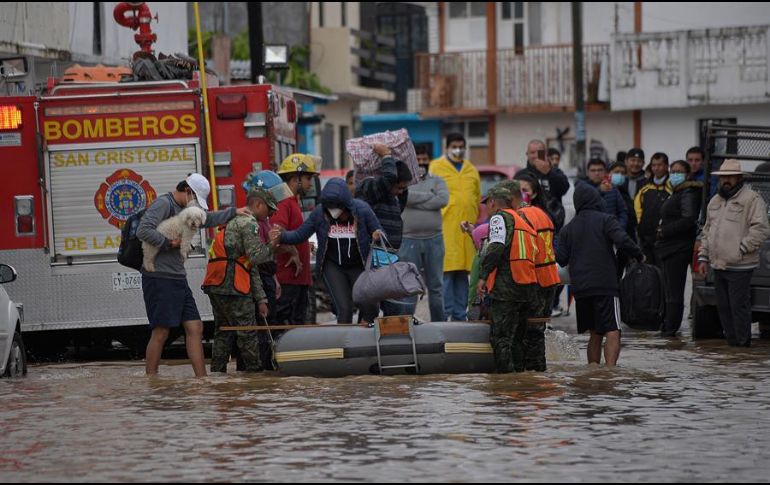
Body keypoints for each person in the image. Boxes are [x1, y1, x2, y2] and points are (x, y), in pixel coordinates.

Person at [137, 173, 249, 377]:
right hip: (159, 278)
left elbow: (208, 219)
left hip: (178, 278)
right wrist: (169, 243)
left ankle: (201, 380)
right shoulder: (164, 204)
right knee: (161, 331)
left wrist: (234, 212)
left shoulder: (188, 210)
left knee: (195, 327)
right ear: (188, 191)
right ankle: (151, 380)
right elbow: (143, 230)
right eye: (196, 199)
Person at [271, 178, 384, 324]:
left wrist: (377, 235)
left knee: (370, 305)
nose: (335, 214)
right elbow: (300, 234)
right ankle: (344, 344)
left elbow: (380, 231)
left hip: (358, 265)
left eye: (339, 211)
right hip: (333, 266)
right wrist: (281, 235)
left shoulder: (362, 210)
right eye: (330, 210)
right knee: (344, 309)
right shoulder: (320, 213)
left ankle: (363, 334)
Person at [556, 183, 643, 367]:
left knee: (594, 334)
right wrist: (640, 255)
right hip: (606, 286)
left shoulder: (568, 229)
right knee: (613, 330)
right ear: (596, 199)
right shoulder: (606, 220)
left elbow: (561, 259)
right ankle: (610, 372)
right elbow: (622, 240)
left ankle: (593, 372)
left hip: (581, 289)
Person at [203, 187, 277, 373]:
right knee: (247, 332)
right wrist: (273, 243)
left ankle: (217, 375)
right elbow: (257, 258)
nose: (269, 215)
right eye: (269, 210)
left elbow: (248, 266)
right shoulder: (249, 223)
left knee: (223, 332)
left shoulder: (232, 221)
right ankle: (255, 377)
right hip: (233, 287)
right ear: (258, 204)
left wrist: (261, 299)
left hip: (216, 284)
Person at [698, 159, 770, 347]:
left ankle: (742, 345)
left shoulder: (751, 199)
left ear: (739, 178)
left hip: (741, 265)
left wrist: (742, 249)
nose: (726, 180)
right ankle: (732, 347)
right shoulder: (715, 201)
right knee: (723, 307)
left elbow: (761, 229)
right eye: (723, 177)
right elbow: (707, 231)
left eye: (730, 176)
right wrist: (703, 257)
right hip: (718, 264)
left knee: (739, 307)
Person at [477, 185, 538, 373]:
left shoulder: (498, 218)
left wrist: (482, 276)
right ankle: (519, 384)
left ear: (493, 202)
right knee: (518, 339)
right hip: (527, 286)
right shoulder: (522, 219)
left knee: (501, 338)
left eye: (486, 203)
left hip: (507, 287)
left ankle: (505, 384)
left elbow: (496, 247)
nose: (486, 208)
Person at [430, 133, 481, 321]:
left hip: (466, 232)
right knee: (446, 274)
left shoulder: (471, 170)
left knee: (463, 275)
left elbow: (477, 197)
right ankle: (444, 318)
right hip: (444, 230)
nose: (458, 149)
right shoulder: (436, 167)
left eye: (461, 146)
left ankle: (460, 317)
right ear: (447, 147)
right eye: (454, 146)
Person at [512, 178, 560, 372]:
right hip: (550, 279)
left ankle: (531, 376)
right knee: (538, 331)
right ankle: (539, 374)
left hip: (536, 280)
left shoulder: (521, 217)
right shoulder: (542, 213)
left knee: (529, 332)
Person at [399, 144, 449, 321]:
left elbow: (443, 200)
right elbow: (405, 196)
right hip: (408, 240)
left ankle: (439, 324)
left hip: (434, 240)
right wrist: (429, 195)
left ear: (429, 160)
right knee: (409, 285)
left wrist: (414, 199)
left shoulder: (438, 180)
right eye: (417, 159)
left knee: (436, 287)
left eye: (424, 159)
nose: (421, 162)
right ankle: (406, 324)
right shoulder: (404, 181)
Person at [654, 161, 702, 337]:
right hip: (669, 248)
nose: (675, 174)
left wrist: (664, 231)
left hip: (678, 249)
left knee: (674, 292)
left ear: (688, 174)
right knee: (669, 291)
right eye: (673, 171)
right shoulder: (678, 192)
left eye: (679, 172)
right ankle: (668, 325)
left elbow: (689, 219)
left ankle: (671, 328)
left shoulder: (688, 193)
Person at [273, 154, 318, 326]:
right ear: (295, 179)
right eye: (307, 178)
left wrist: (304, 246)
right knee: (287, 325)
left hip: (296, 279)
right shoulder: (284, 203)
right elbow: (275, 233)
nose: (310, 183)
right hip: (287, 279)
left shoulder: (292, 202)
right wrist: (292, 250)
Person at [635, 152, 672, 265]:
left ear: (666, 166)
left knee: (663, 274)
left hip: (664, 239)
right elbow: (637, 208)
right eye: (654, 165)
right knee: (649, 274)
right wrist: (641, 227)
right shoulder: (644, 186)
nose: (656, 168)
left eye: (659, 165)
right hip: (645, 239)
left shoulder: (672, 186)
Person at [608, 162, 637, 280]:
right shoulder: (605, 191)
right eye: (616, 172)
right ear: (609, 174)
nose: (620, 175)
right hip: (611, 241)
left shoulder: (625, 193)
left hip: (625, 241)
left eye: (623, 173)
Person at [583, 158, 628, 230]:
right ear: (587, 173)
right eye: (593, 170)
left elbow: (623, 211)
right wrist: (599, 191)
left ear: (605, 172)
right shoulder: (582, 188)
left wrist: (619, 228)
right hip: (591, 233)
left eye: (600, 170)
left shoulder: (613, 189)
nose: (597, 173)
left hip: (612, 232)